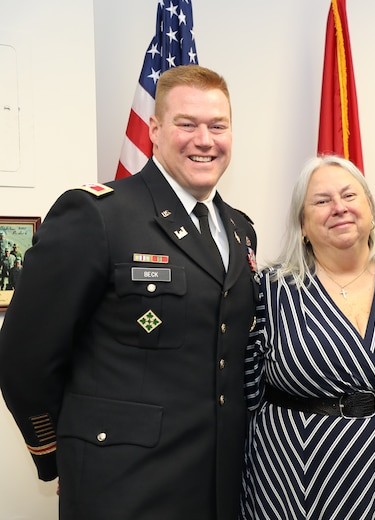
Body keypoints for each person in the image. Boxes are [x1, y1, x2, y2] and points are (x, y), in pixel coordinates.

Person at [0, 65, 259, 520]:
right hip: (121, 487)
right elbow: (25, 355)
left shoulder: (240, 230)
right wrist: (58, 452)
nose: (205, 139)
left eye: (218, 125)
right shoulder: (97, 215)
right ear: (155, 130)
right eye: (187, 124)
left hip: (218, 487)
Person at [241, 155, 375, 519]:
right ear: (302, 224)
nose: (339, 208)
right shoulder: (270, 290)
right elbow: (246, 391)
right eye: (321, 201)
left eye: (350, 196)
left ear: (370, 210)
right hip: (299, 475)